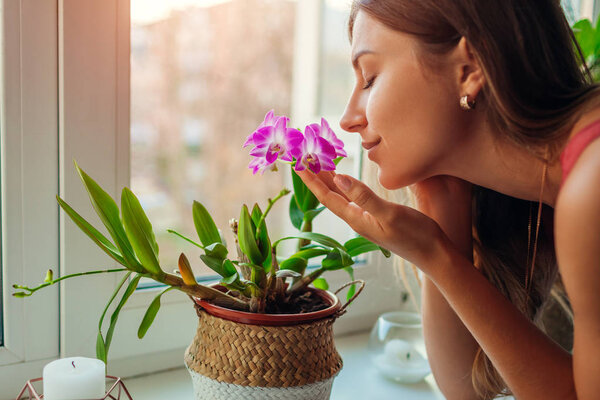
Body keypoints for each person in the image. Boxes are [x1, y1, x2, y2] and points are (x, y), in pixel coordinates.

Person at [297, 1, 600, 399]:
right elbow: (466, 391)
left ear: (469, 69)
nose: (348, 118)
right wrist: (440, 227)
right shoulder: (553, 185)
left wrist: (437, 255)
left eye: (369, 77)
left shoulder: (591, 186)